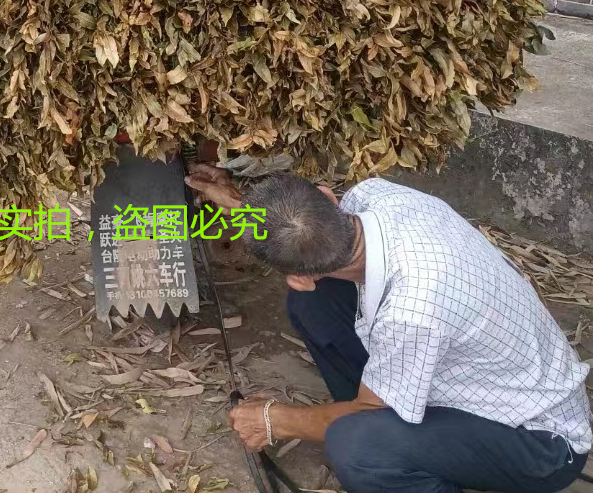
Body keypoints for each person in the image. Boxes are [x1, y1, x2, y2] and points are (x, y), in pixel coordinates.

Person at [185, 165, 592, 493]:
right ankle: (387, 434)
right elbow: (306, 229)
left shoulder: (412, 310)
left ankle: (391, 455)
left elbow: (374, 399)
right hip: (485, 382)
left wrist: (276, 419)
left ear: (297, 276)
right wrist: (243, 204)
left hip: (540, 443)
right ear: (327, 197)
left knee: (358, 447)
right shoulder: (377, 196)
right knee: (318, 304)